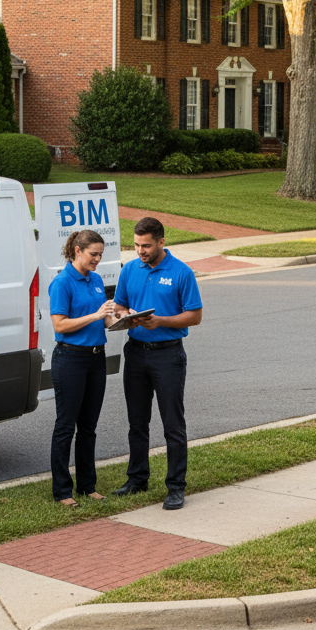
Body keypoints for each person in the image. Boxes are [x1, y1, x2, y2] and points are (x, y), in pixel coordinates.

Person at [112, 216, 203, 510]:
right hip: (135, 352)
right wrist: (124, 315)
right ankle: (137, 479)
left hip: (168, 355)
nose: (141, 250)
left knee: (172, 424)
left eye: (146, 245)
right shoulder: (130, 269)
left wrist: (160, 320)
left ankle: (176, 487)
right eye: (137, 245)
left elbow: (195, 315)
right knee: (137, 423)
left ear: (161, 242)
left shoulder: (181, 273)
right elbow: (119, 304)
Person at [47, 229, 116, 507]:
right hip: (70, 359)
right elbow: (60, 325)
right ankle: (62, 490)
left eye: (100, 255)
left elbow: (105, 320)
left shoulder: (96, 279)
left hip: (96, 358)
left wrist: (121, 319)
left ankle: (88, 485)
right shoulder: (62, 282)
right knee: (66, 426)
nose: (98, 259)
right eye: (93, 254)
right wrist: (95, 315)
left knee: (89, 426)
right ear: (77, 251)